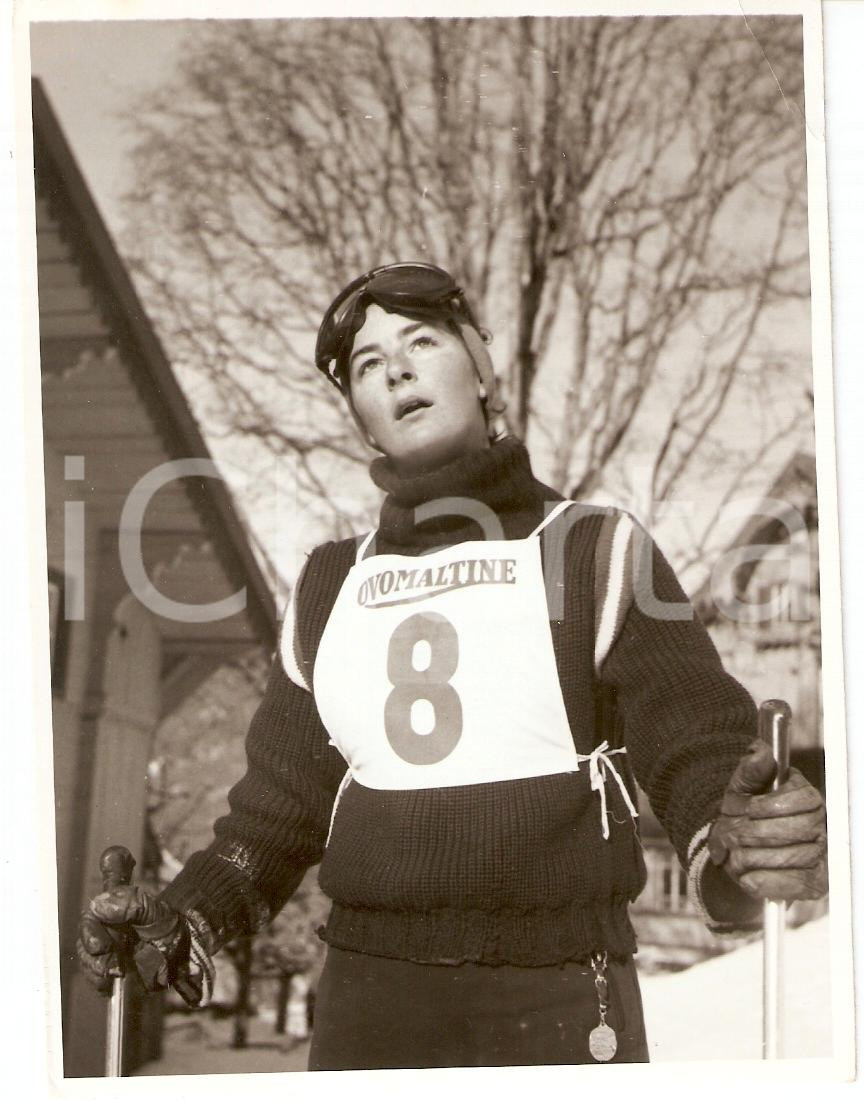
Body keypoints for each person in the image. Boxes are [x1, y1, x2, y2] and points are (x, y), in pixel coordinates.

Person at [78, 262, 828, 1069]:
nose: (395, 368)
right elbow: (276, 812)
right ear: (364, 421)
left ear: (484, 375)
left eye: (421, 342)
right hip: (369, 1007)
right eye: (368, 365)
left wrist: (740, 840)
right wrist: (185, 917)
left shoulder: (594, 549)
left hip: (561, 1000)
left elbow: (695, 742)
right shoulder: (330, 583)